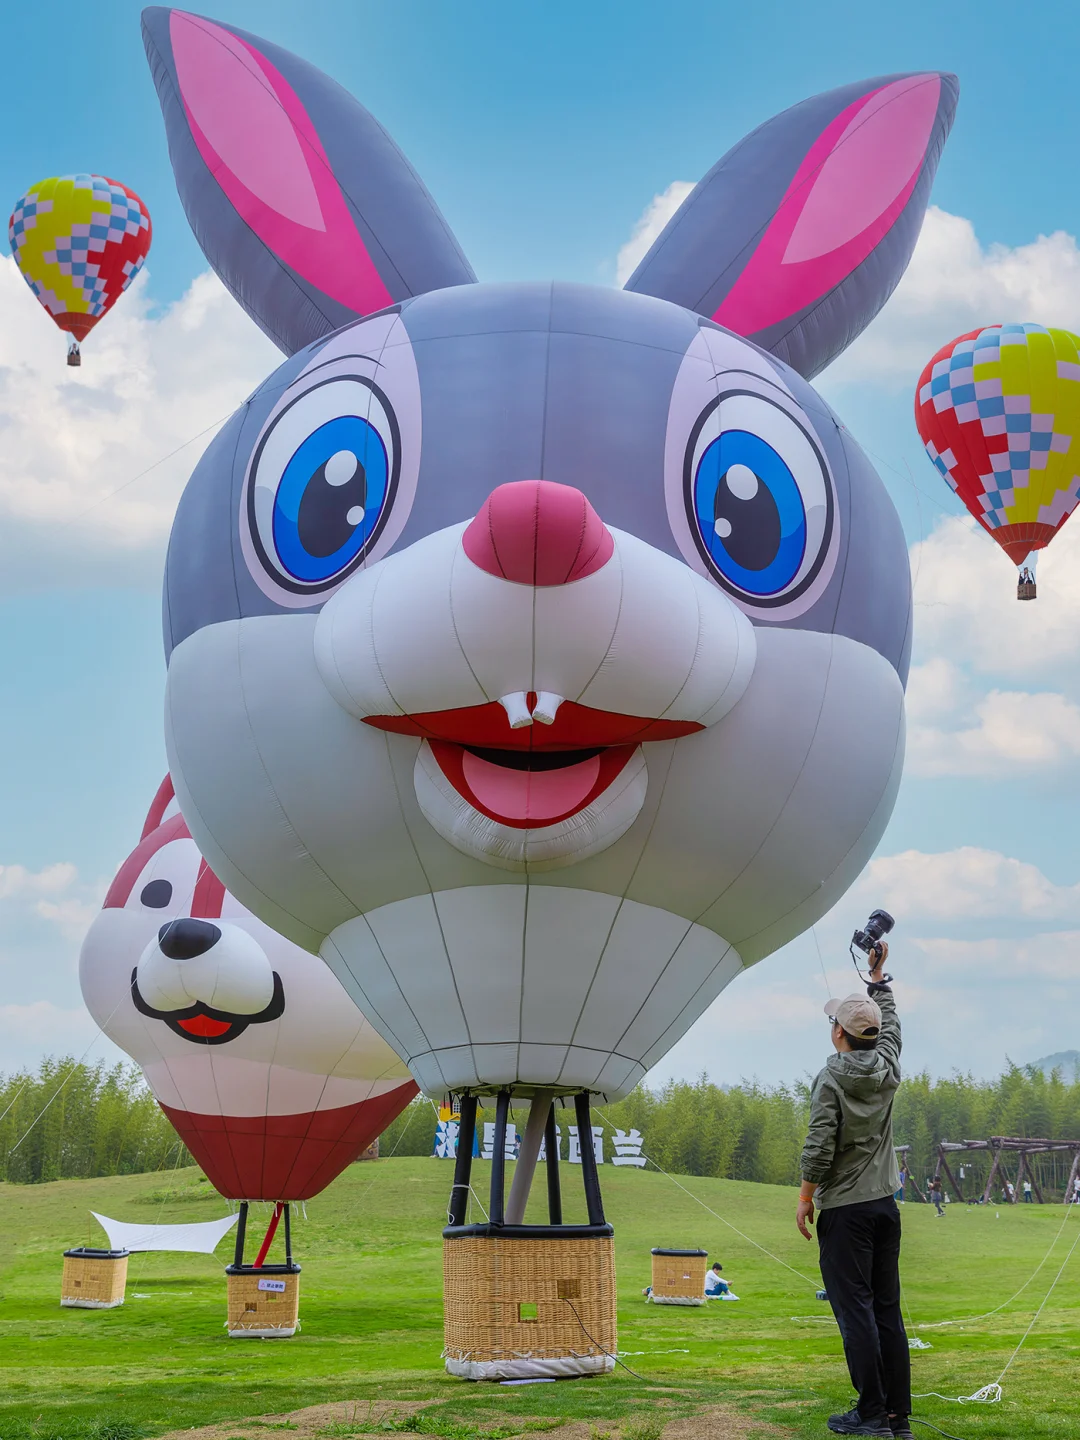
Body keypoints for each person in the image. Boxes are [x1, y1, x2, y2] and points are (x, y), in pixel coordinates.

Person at [796, 940, 911, 1439]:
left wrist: (804, 1197)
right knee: (887, 1310)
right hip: (886, 1207)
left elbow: (819, 1147)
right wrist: (878, 978)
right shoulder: (888, 1066)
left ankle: (870, 1414)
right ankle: (896, 1418)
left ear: (838, 1032)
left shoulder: (830, 1078)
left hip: (845, 1212)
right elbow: (892, 1028)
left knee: (856, 1312)